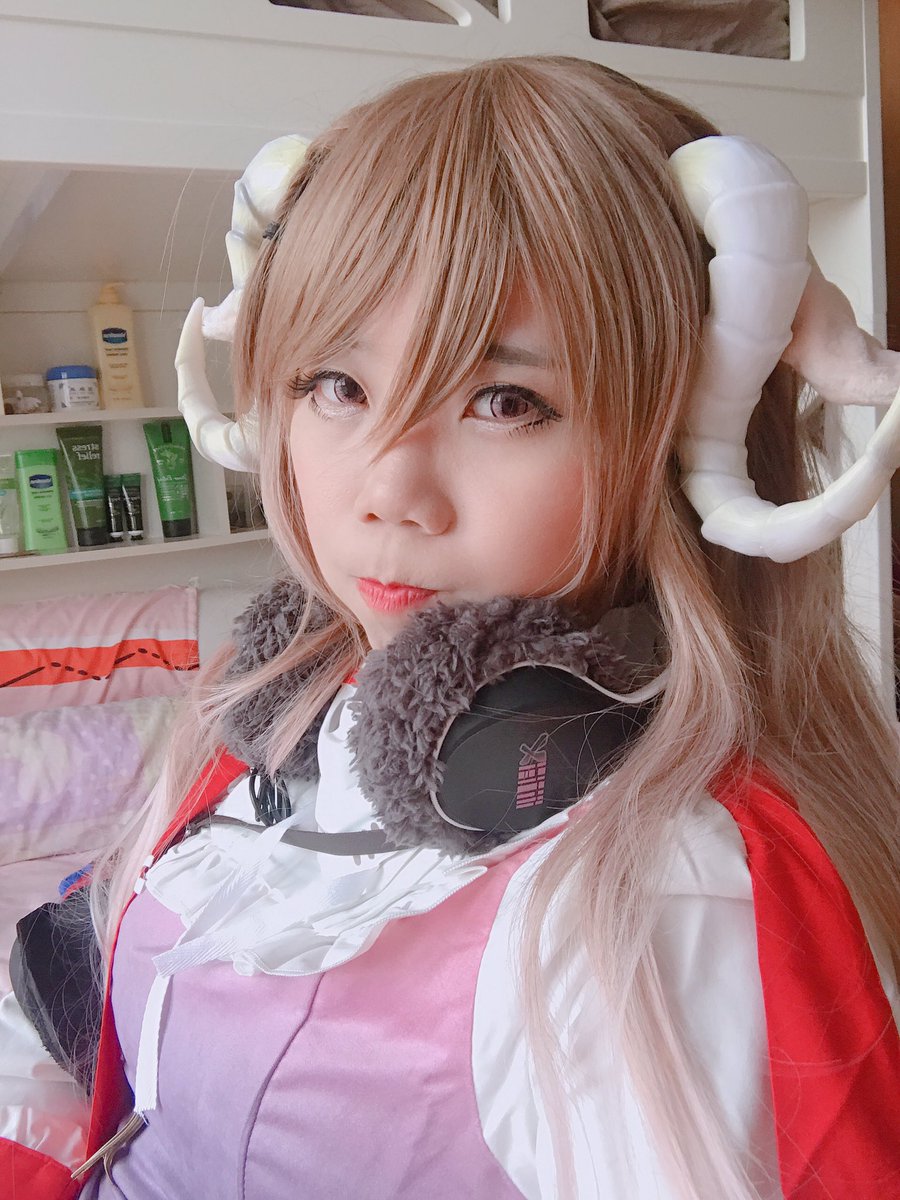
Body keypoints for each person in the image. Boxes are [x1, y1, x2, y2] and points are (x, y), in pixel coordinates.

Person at [2, 55, 899, 1200]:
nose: (389, 491)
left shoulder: (662, 904)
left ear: (678, 446)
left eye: (504, 401)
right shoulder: (293, 704)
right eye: (338, 385)